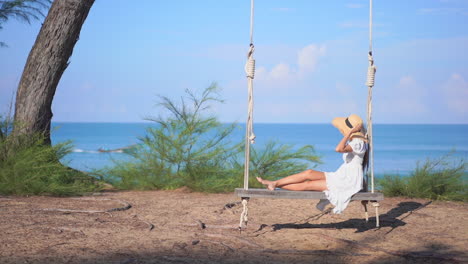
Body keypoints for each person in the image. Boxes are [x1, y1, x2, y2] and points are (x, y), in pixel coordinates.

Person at [256, 114, 368, 214]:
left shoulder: (358, 143)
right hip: (342, 175)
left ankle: (275, 184)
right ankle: (274, 183)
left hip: (347, 180)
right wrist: (350, 134)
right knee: (309, 173)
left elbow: (338, 149)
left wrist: (349, 132)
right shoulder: (355, 142)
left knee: (308, 185)